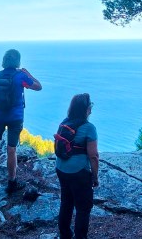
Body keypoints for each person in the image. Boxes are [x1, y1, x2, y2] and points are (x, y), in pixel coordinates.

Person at [0, 48, 42, 193]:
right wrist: (28, 74)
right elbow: (38, 87)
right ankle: (12, 182)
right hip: (15, 117)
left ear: (4, 61)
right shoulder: (21, 76)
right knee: (11, 149)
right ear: (17, 61)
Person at [55, 93, 99, 239]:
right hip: (78, 172)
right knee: (83, 208)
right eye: (90, 107)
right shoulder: (89, 128)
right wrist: (95, 176)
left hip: (61, 168)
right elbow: (93, 156)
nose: (91, 110)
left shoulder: (64, 122)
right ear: (85, 110)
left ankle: (65, 234)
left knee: (66, 201)